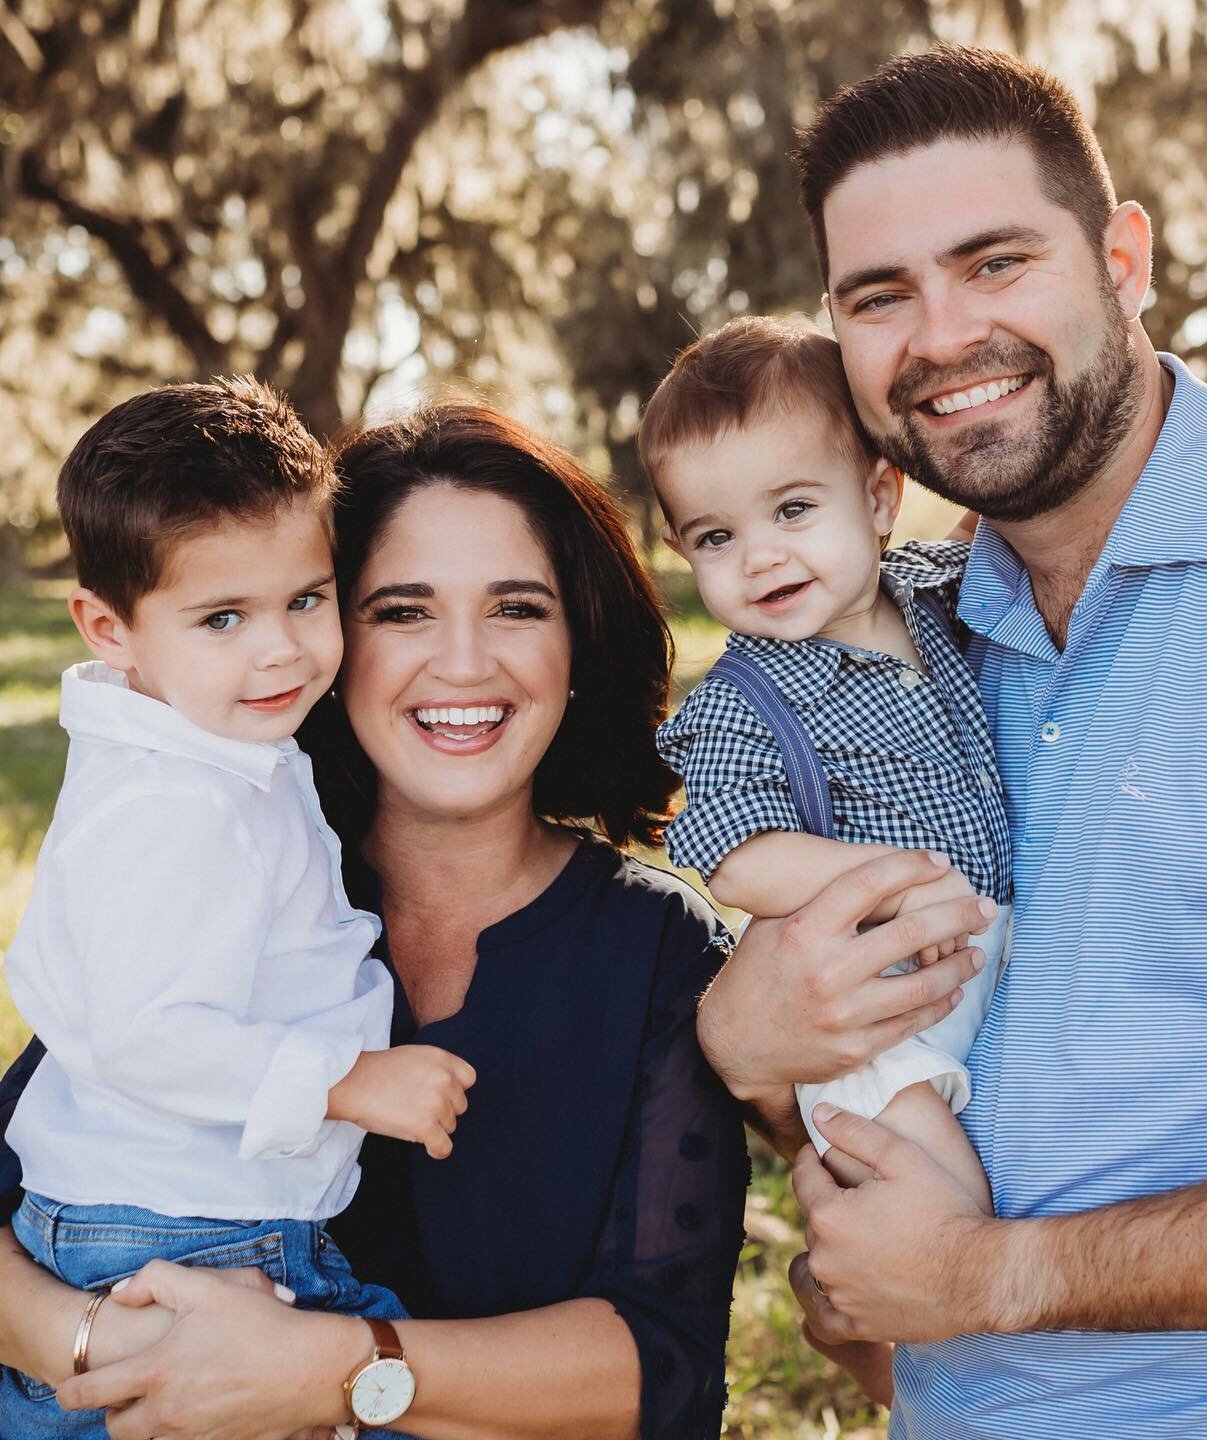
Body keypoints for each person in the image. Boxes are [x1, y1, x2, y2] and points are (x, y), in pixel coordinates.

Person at [692, 44, 1207, 1438]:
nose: (941, 335)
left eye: (995, 262)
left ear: (1124, 256)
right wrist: (752, 1053)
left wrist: (992, 1276)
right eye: (880, 296)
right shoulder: (906, 622)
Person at [0, 398, 749, 1440]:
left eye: (517, 608)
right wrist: (91, 1347)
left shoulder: (658, 951)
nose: (463, 662)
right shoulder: (250, 868)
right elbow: (59, 1135)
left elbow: (661, 1369)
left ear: (578, 640)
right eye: (401, 610)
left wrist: (339, 1370)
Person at [0, 376, 483, 1438]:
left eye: (305, 600)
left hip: (180, 1215)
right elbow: (148, 1038)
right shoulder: (176, 806)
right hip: (175, 1235)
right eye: (223, 617)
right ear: (106, 626)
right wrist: (348, 1081)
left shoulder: (205, 749)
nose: (280, 649)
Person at [637, 315, 1008, 1210]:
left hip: (997, 965)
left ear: (880, 498)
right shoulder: (744, 700)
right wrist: (887, 880)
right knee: (931, 1184)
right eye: (716, 537)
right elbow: (738, 854)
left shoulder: (937, 592)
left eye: (793, 510)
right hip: (878, 1022)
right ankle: (965, 1306)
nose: (761, 555)